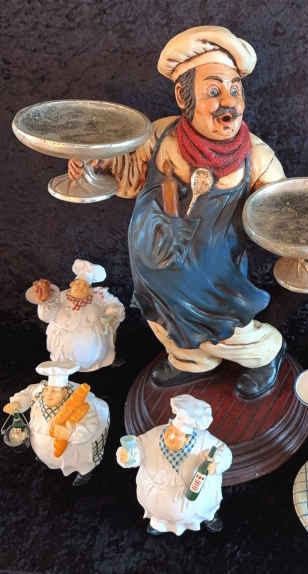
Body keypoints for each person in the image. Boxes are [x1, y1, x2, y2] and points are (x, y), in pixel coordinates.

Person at [68, 26, 289, 398]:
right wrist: (95, 164)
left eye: (235, 90)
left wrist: (303, 249)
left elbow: (282, 214)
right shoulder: (161, 135)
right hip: (153, 272)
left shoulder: (258, 157)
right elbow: (130, 175)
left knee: (223, 329)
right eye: (214, 91)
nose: (230, 103)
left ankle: (265, 352)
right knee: (164, 323)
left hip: (212, 279)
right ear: (183, 96)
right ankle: (191, 362)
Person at [116, 394, 232, 536]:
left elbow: (223, 451)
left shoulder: (204, 440)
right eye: (170, 430)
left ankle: (208, 517)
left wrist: (217, 461)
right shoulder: (157, 434)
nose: (170, 437)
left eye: (177, 435)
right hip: (157, 496)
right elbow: (140, 445)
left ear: (188, 438)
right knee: (158, 513)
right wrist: (130, 454)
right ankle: (159, 523)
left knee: (205, 508)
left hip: (193, 497)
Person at [2, 360, 110, 486]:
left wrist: (71, 434)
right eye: (47, 389)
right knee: (44, 454)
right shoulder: (41, 391)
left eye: (54, 391)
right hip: (41, 444)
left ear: (64, 392)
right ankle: (45, 458)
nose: (48, 394)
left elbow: (91, 425)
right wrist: (17, 403)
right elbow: (28, 393)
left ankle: (84, 473)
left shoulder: (82, 403)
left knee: (81, 461)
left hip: (71, 451)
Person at [32, 259, 125, 372]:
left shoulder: (98, 295)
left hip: (91, 347)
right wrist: (45, 302)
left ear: (89, 288)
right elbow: (46, 316)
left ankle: (89, 361)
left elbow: (115, 305)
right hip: (61, 344)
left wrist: (110, 316)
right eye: (78, 283)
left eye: (85, 285)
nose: (81, 287)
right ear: (71, 284)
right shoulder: (60, 296)